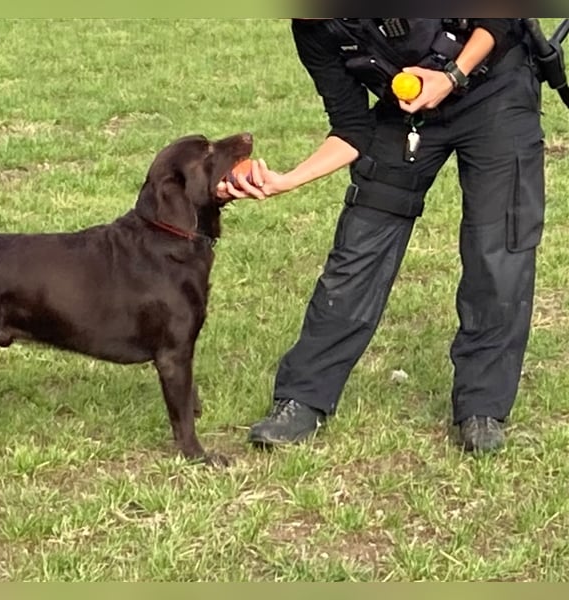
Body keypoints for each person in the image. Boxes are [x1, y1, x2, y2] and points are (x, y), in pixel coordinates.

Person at [217, 19, 545, 453]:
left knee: (497, 248)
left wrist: (452, 76)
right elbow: (351, 127)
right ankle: (303, 399)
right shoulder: (313, 32)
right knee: (359, 246)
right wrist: (286, 181)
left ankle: (482, 408)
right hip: (409, 111)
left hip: (495, 86)